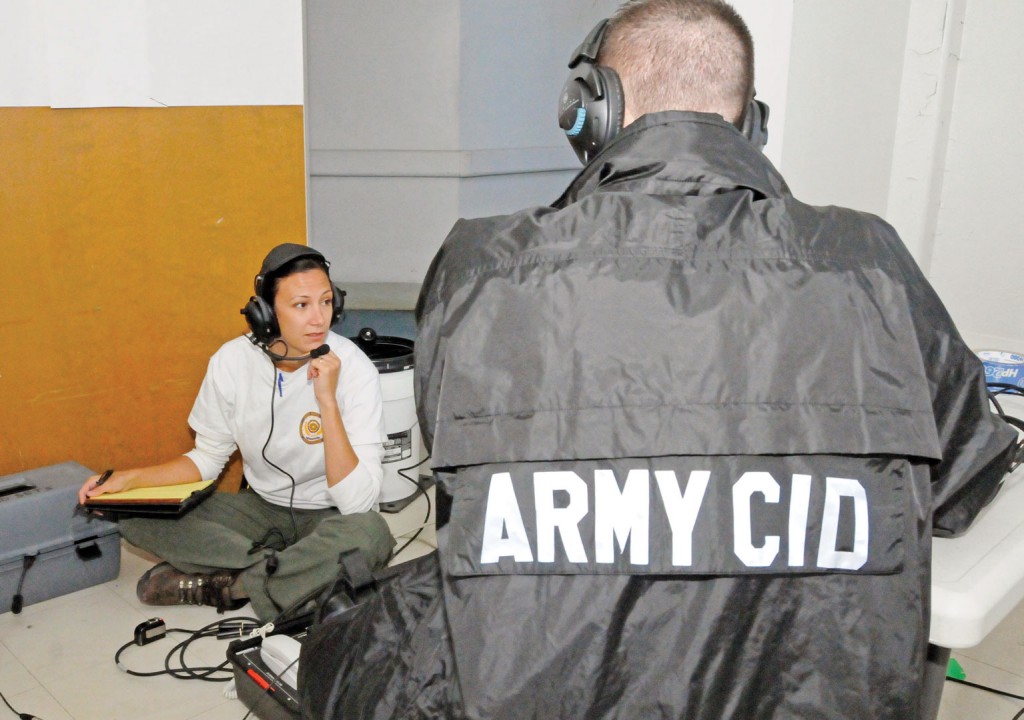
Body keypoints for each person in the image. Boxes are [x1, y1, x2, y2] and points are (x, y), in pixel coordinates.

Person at [404, 1, 1020, 718]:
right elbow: (961, 474)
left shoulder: (479, 267)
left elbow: (451, 467)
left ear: (591, 113)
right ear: (752, 126)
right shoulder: (868, 261)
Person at [78, 243, 394, 622]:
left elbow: (358, 504)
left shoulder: (354, 369)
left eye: (326, 302)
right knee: (133, 514)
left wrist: (326, 401)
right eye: (301, 305)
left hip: (330, 516)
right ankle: (290, 577)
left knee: (371, 535)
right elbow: (207, 460)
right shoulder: (231, 361)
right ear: (265, 313)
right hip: (259, 510)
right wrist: (130, 481)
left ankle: (234, 584)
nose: (318, 319)